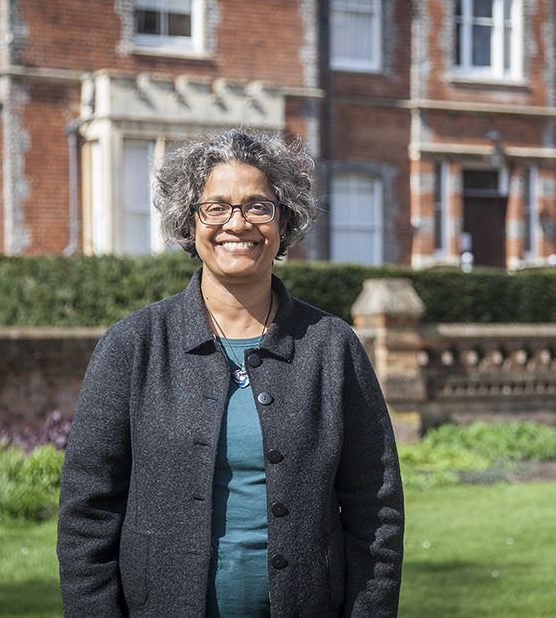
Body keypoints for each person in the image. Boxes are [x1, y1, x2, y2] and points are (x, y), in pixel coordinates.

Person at [57, 129, 404, 617]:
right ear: (189, 220)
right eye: (215, 207)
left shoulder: (331, 345)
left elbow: (376, 507)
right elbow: (86, 514)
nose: (236, 224)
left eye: (258, 206)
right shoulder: (133, 345)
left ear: (285, 220)